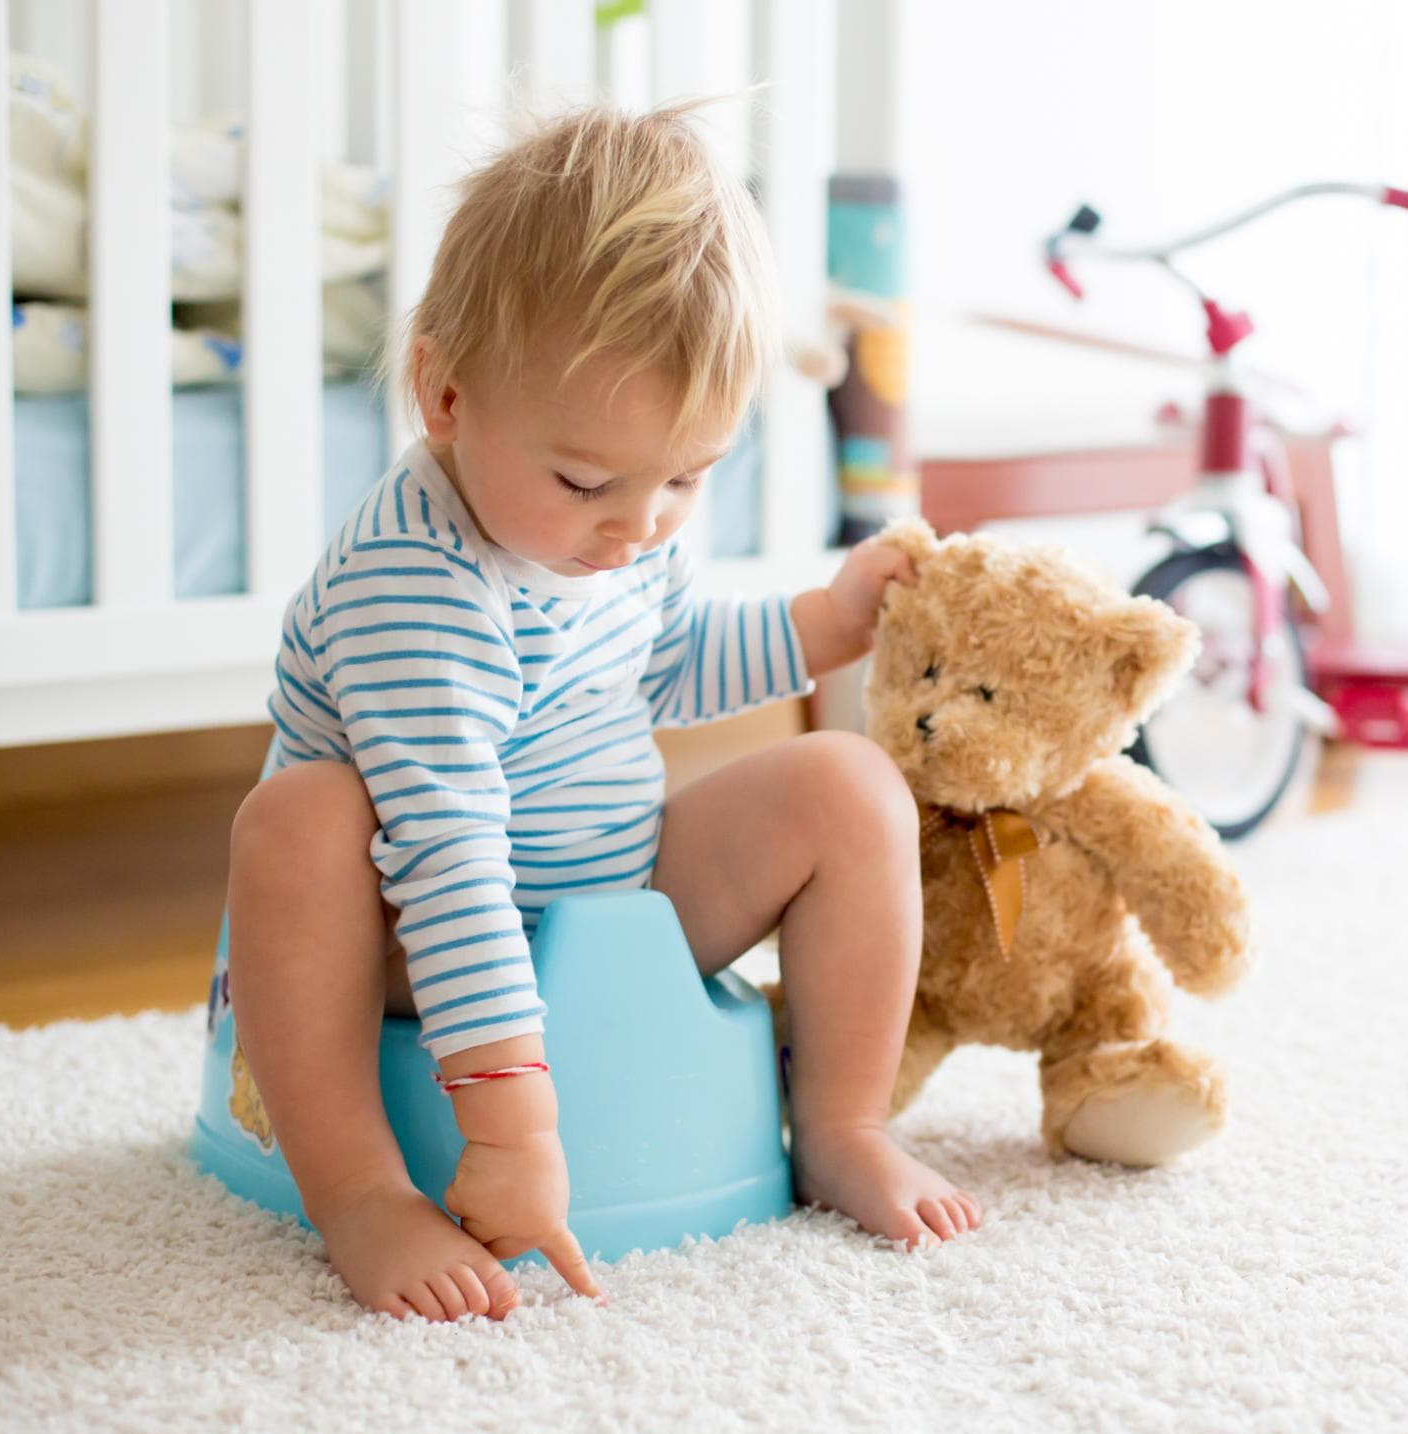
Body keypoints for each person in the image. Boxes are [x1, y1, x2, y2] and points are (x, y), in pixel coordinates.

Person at [221, 103, 979, 1323]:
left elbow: (665, 663)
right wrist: (512, 1127)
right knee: (298, 824)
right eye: (587, 482)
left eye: (687, 478)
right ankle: (361, 1190)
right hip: (410, 939)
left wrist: (823, 624)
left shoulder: (619, 536)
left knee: (849, 785)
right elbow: (450, 854)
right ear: (444, 392)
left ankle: (840, 1122)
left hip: (609, 902)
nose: (641, 527)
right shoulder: (414, 583)